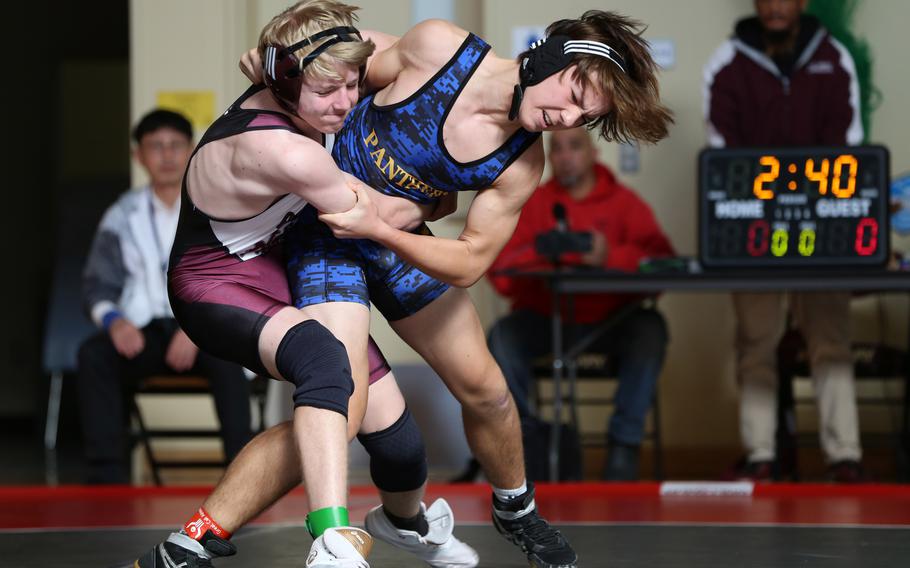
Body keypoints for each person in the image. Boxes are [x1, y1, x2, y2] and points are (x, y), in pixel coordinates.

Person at [171, 7, 671, 568]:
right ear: (551, 57)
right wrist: (276, 66)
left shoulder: (522, 162)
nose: (567, 117)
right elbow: (342, 63)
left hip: (396, 238)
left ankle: (516, 507)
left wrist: (387, 224)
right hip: (326, 239)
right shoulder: (441, 51)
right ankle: (206, 535)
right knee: (343, 403)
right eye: (575, 93)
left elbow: (469, 263)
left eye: (586, 115)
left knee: (488, 390)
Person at [127, 3, 476, 568]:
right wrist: (442, 188)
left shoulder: (290, 82)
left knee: (400, 444)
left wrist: (316, 68)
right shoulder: (288, 150)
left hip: (273, 270)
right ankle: (330, 535)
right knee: (325, 363)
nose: (345, 101)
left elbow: (409, 63)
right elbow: (385, 217)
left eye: (352, 83)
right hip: (212, 285)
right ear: (285, 83)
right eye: (326, 90)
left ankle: (403, 521)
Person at [704, 0, 865, 482]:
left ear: (802, 3)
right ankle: (761, 454)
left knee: (831, 342)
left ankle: (845, 455)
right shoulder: (726, 62)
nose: (775, 5)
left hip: (824, 231)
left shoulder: (834, 57)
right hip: (753, 232)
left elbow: (848, 147)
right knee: (757, 342)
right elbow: (722, 154)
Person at [485, 125, 674, 481]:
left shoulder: (624, 203)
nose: (565, 156)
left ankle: (623, 446)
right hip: (548, 319)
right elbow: (501, 274)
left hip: (610, 322)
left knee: (651, 329)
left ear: (592, 153)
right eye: (557, 148)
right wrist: (548, 253)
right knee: (502, 338)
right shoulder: (534, 202)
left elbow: (661, 266)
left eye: (574, 147)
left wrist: (609, 256)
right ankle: (527, 442)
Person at [77, 109, 254, 485]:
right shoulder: (120, 216)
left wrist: (196, 330)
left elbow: (235, 277)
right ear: (138, 155)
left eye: (176, 145)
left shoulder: (217, 208)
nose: (167, 155)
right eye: (155, 146)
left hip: (203, 327)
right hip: (144, 331)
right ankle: (107, 478)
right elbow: (96, 285)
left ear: (191, 150)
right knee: (94, 355)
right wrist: (115, 322)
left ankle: (244, 476)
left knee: (228, 358)